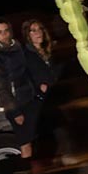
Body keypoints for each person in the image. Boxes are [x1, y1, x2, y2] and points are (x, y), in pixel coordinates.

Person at [0, 18, 39, 159]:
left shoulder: (19, 47)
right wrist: (14, 110)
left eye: (6, 31)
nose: (4, 35)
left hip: (31, 98)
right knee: (25, 144)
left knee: (36, 140)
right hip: (16, 103)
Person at [21, 18, 70, 161]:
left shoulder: (48, 51)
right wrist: (39, 89)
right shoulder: (26, 55)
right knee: (49, 138)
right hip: (39, 102)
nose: (38, 33)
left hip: (54, 98)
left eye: (40, 29)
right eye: (33, 31)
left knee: (60, 136)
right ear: (28, 35)